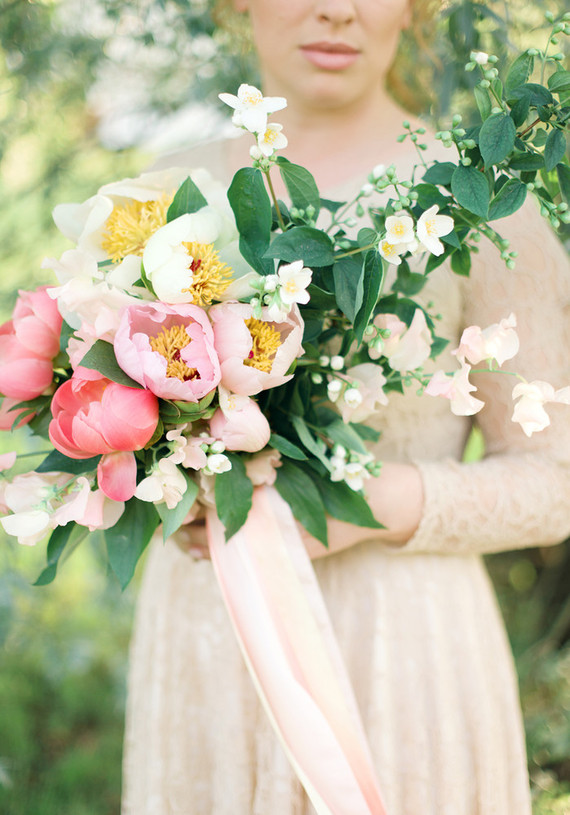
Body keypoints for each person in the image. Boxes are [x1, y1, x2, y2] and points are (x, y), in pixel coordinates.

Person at [121, 2, 570, 813]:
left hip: (404, 655)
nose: (337, 9)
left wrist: (360, 507)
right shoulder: (158, 197)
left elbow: (556, 478)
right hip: (213, 639)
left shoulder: (484, 202)